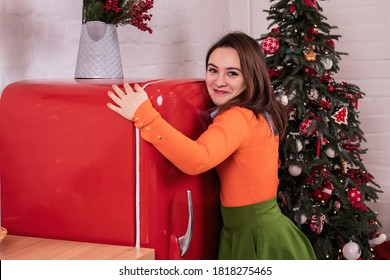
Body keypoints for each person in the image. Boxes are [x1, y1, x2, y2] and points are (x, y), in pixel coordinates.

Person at [107, 31, 317, 260]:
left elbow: (197, 159)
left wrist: (145, 116)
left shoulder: (237, 115)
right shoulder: (259, 110)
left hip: (255, 237)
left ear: (251, 77)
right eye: (213, 70)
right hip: (263, 230)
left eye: (232, 73)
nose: (219, 81)